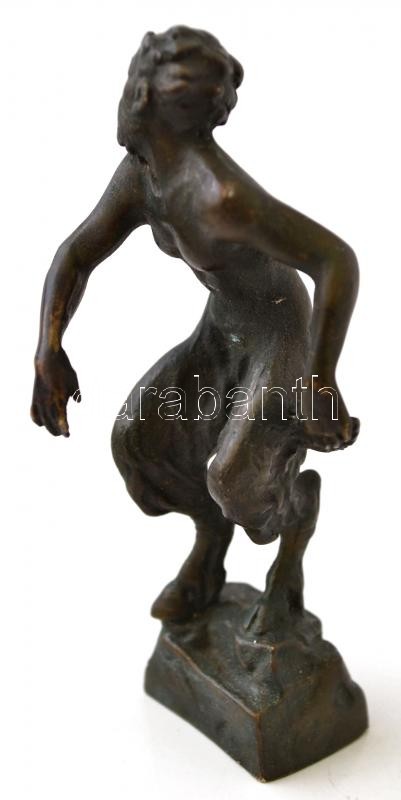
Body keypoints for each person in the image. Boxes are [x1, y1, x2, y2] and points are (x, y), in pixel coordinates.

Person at [31, 26, 359, 633]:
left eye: (146, 100)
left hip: (279, 335)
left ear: (174, 114)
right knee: (140, 440)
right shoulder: (143, 175)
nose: (130, 108)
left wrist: (320, 381)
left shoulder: (221, 196)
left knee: (236, 481)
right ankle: (209, 549)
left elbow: (335, 260)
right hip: (223, 328)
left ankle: (295, 521)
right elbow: (76, 254)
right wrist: (48, 349)